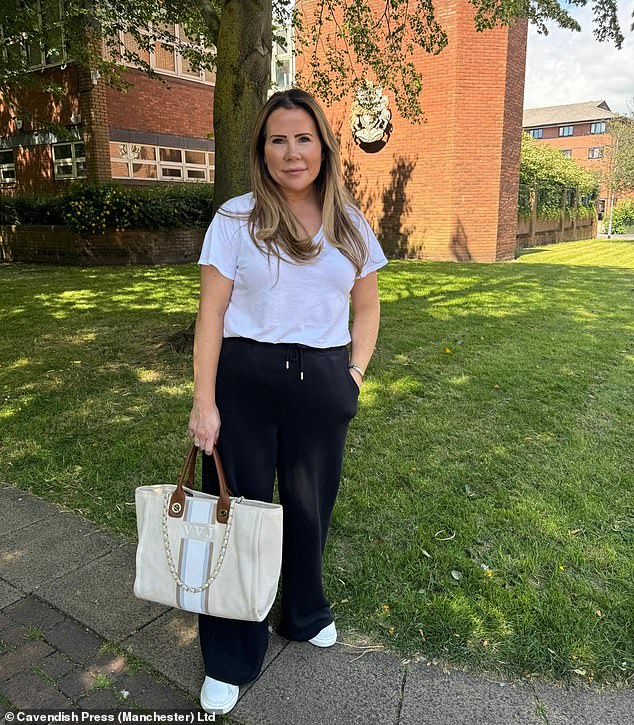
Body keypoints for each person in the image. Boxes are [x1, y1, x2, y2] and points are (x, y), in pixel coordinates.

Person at [187, 88, 387, 714]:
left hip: (323, 380)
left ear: (323, 148)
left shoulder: (349, 221)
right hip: (245, 379)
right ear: (263, 151)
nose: (292, 152)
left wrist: (352, 374)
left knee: (309, 509)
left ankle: (302, 612)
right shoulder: (235, 220)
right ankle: (229, 655)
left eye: (303, 139)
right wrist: (203, 400)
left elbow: (369, 306)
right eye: (278, 140)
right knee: (238, 514)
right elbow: (212, 314)